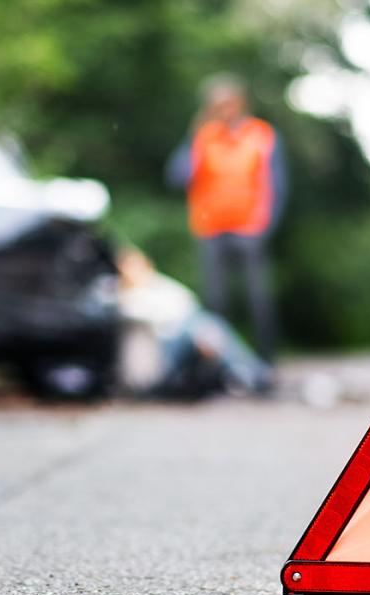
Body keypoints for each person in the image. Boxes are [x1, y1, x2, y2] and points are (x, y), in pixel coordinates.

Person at [165, 73, 288, 363]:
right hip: (210, 227)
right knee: (215, 301)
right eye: (217, 105)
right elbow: (176, 177)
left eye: (228, 103)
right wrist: (193, 137)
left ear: (240, 103)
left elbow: (278, 183)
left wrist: (267, 224)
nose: (224, 110)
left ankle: (266, 362)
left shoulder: (261, 135)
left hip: (250, 227)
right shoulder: (204, 137)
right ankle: (221, 365)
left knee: (259, 298)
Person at [116, 248, 271, 399]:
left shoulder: (160, 285)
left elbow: (188, 302)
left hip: (186, 336)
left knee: (207, 324)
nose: (134, 271)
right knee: (204, 325)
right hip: (164, 349)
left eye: (137, 266)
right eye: (129, 267)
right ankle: (250, 372)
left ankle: (244, 373)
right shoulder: (121, 295)